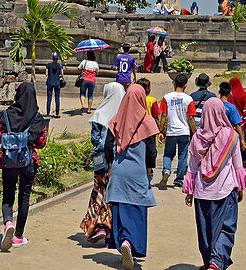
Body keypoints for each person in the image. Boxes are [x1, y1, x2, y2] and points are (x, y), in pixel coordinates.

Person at [184, 98, 246, 270]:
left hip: (201, 191)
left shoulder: (197, 137)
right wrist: (240, 188)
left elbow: (192, 167)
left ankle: (209, 262)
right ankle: (216, 262)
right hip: (225, 190)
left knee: (205, 230)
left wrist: (189, 191)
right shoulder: (231, 136)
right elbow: (237, 165)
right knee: (226, 227)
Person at [105, 84, 159, 270]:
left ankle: (123, 243)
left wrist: (112, 164)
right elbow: (151, 153)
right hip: (137, 172)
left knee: (120, 208)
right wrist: (149, 169)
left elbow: (107, 147)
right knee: (136, 209)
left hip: (119, 172)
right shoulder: (148, 122)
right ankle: (130, 243)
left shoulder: (116, 121)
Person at [0, 82, 48, 251]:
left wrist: (11, 139)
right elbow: (41, 142)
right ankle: (18, 236)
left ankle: (8, 222)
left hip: (8, 161)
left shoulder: (7, 114)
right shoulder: (37, 118)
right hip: (28, 161)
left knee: (8, 196)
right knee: (24, 198)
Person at [81, 82, 126, 245]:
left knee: (99, 192)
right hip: (120, 162)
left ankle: (100, 226)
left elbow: (94, 140)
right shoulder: (125, 115)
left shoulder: (100, 113)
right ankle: (110, 234)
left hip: (101, 161)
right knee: (115, 196)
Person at [156, 72, 196, 189]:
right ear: (185, 85)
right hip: (184, 132)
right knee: (183, 156)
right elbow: (190, 118)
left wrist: (160, 131)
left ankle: (167, 170)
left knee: (168, 154)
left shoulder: (167, 97)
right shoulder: (189, 99)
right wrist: (195, 132)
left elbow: (163, 115)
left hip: (171, 131)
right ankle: (178, 180)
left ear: (174, 83)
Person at [227, 77, 246, 165]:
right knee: (242, 140)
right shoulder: (242, 93)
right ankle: (243, 160)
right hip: (241, 122)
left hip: (230, 122)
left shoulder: (229, 94)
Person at [217, 82, 246, 155]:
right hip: (227, 136)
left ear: (219, 92)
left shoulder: (214, 105)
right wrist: (242, 139)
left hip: (215, 135)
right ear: (230, 93)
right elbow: (237, 124)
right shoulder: (231, 107)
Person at [45, 52, 63, 117]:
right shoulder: (59, 65)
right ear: (57, 58)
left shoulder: (48, 65)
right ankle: (57, 113)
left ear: (52, 58)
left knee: (49, 98)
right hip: (57, 83)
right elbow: (62, 74)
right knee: (57, 99)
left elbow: (46, 74)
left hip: (50, 83)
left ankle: (48, 113)